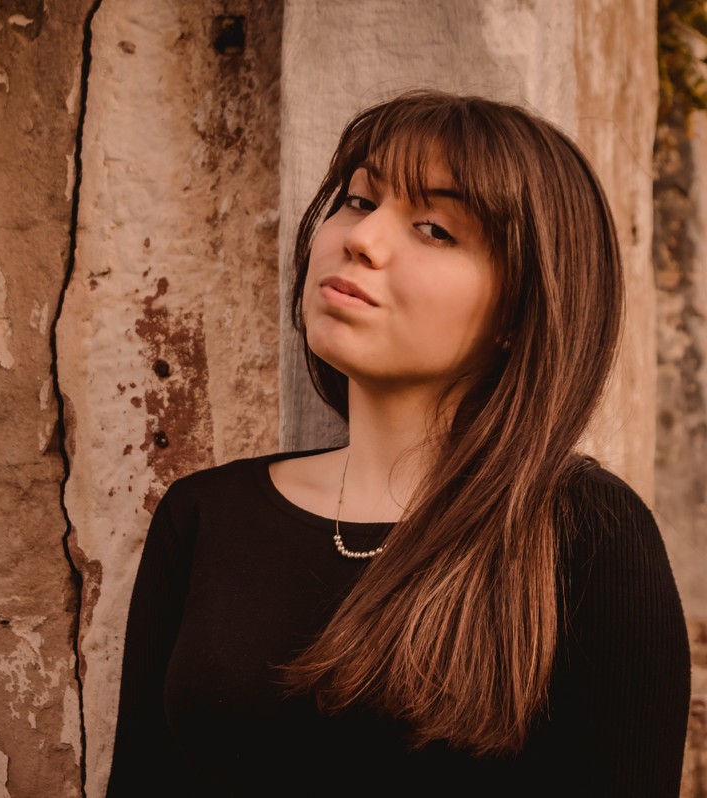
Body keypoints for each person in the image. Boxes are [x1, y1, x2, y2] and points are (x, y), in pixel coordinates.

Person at [106, 90, 692, 797]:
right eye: (358, 200)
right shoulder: (204, 515)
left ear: (520, 308)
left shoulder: (587, 532)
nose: (362, 238)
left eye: (436, 229)